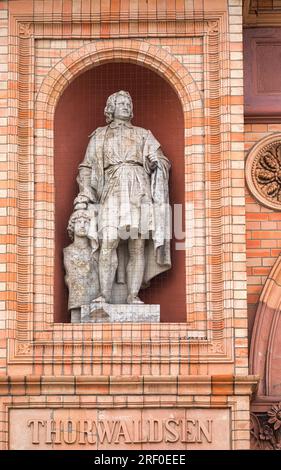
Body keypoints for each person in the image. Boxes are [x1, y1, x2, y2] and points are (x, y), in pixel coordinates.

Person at [74, 90, 171, 305]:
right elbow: (87, 167)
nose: (126, 106)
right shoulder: (100, 135)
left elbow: (163, 161)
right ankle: (104, 295)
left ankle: (133, 295)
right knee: (108, 241)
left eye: (129, 103)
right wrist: (86, 192)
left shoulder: (143, 134)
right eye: (121, 103)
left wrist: (157, 162)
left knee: (137, 245)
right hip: (112, 189)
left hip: (139, 189)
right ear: (111, 109)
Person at [63, 209, 99, 322]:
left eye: (86, 222)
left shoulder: (95, 252)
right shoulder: (67, 251)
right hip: (76, 304)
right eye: (79, 222)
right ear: (72, 225)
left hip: (95, 305)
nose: (82, 225)